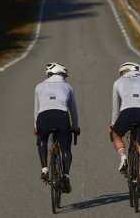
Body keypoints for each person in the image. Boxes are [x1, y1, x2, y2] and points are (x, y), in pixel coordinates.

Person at [109, 62, 140, 199]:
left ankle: (123, 157)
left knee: (115, 134)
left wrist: (113, 124)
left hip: (127, 113)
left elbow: (115, 107)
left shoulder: (118, 82)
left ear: (124, 71)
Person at [34, 62, 80, 193]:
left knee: (42, 140)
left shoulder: (39, 86)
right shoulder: (67, 87)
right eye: (64, 75)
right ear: (61, 74)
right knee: (66, 148)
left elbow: (36, 110)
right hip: (61, 117)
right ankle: (65, 175)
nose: (65, 77)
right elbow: (73, 111)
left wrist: (35, 127)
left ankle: (44, 169)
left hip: (43, 117)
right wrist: (75, 127)